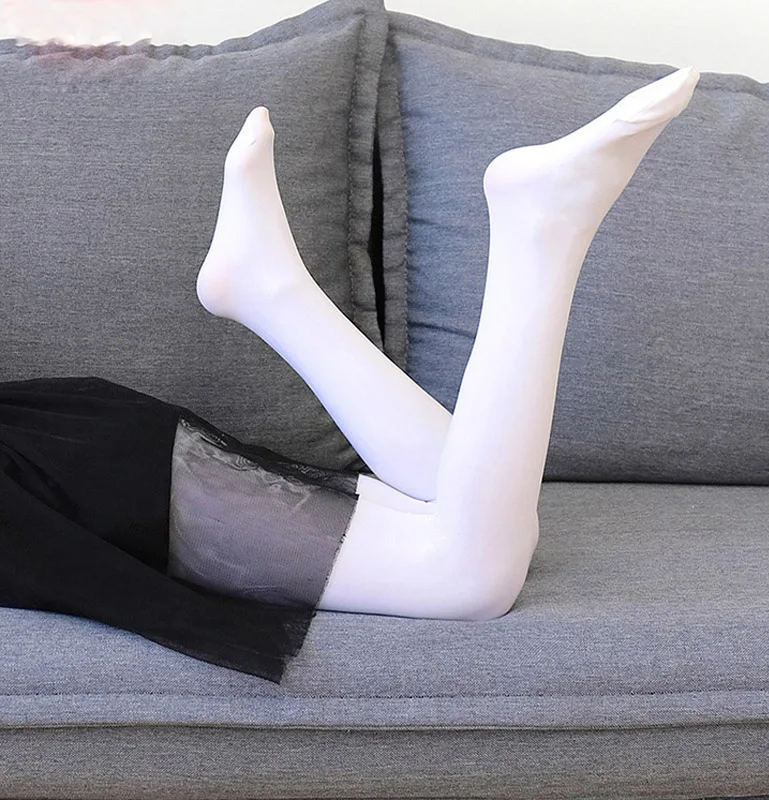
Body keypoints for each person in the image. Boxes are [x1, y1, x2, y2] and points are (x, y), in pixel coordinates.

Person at [0, 66, 700, 684]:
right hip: (66, 444)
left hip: (51, 475)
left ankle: (539, 230)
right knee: (477, 520)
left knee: (471, 570)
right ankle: (274, 291)